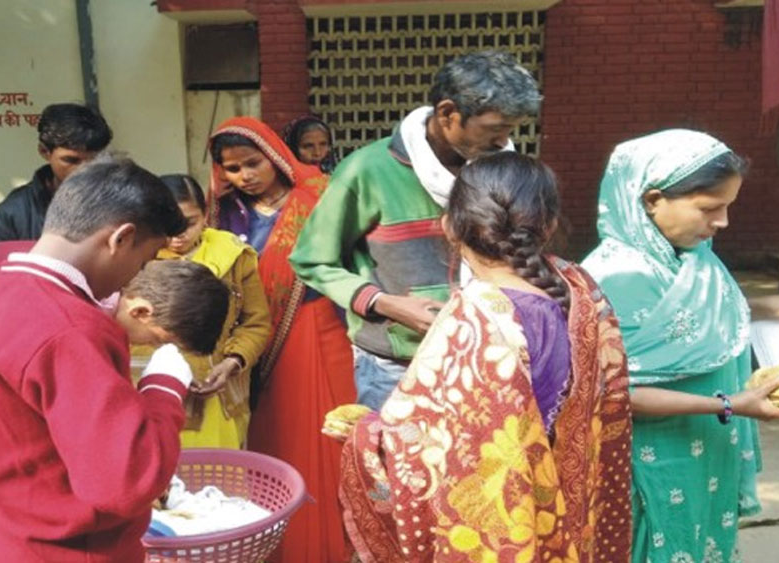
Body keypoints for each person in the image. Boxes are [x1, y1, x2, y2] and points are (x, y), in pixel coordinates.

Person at [334, 152, 632, 562]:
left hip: (507, 528)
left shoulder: (471, 322)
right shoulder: (580, 291)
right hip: (566, 515)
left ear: (449, 227)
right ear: (547, 226)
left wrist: (366, 436)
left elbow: (431, 457)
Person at [0, 155, 207, 562]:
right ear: (120, 239)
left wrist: (24, 460)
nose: (135, 277)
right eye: (144, 260)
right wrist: (163, 387)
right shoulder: (72, 331)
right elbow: (129, 482)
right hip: (74, 550)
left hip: (5, 541)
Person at [0, 242, 229, 562]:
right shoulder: (66, 322)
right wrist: (161, 390)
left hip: (3, 532)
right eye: (156, 340)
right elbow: (123, 480)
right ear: (141, 311)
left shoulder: (81, 282)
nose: (146, 349)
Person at [581, 129, 779, 562]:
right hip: (652, 460)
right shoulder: (616, 277)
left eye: (727, 207)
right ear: (651, 200)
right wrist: (729, 405)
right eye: (710, 208)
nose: (722, 222)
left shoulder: (693, 256)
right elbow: (614, 392)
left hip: (707, 454)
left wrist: (768, 307)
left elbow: (684, 320)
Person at [290, 50, 541, 410]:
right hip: (394, 366)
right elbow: (311, 260)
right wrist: (385, 303)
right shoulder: (366, 171)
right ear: (447, 113)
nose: (504, 141)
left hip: (485, 355)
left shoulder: (500, 172)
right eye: (494, 129)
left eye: (510, 131)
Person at [208, 117, 356, 563]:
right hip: (250, 343)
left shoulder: (318, 196)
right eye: (232, 169)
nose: (244, 176)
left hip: (316, 326)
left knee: (321, 431)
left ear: (274, 154)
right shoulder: (225, 211)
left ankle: (330, 540)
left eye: (252, 163)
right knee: (270, 433)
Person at [129, 173, 270, 449]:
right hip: (148, 393)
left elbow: (257, 322)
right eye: (169, 225)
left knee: (221, 479)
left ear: (206, 215)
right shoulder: (135, 258)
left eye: (189, 223)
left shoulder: (233, 255)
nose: (178, 235)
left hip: (221, 394)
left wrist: (233, 361)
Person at [0, 102, 111, 244]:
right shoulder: (6, 220)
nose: (84, 170)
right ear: (44, 152)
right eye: (71, 160)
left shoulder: (122, 203)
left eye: (94, 160)